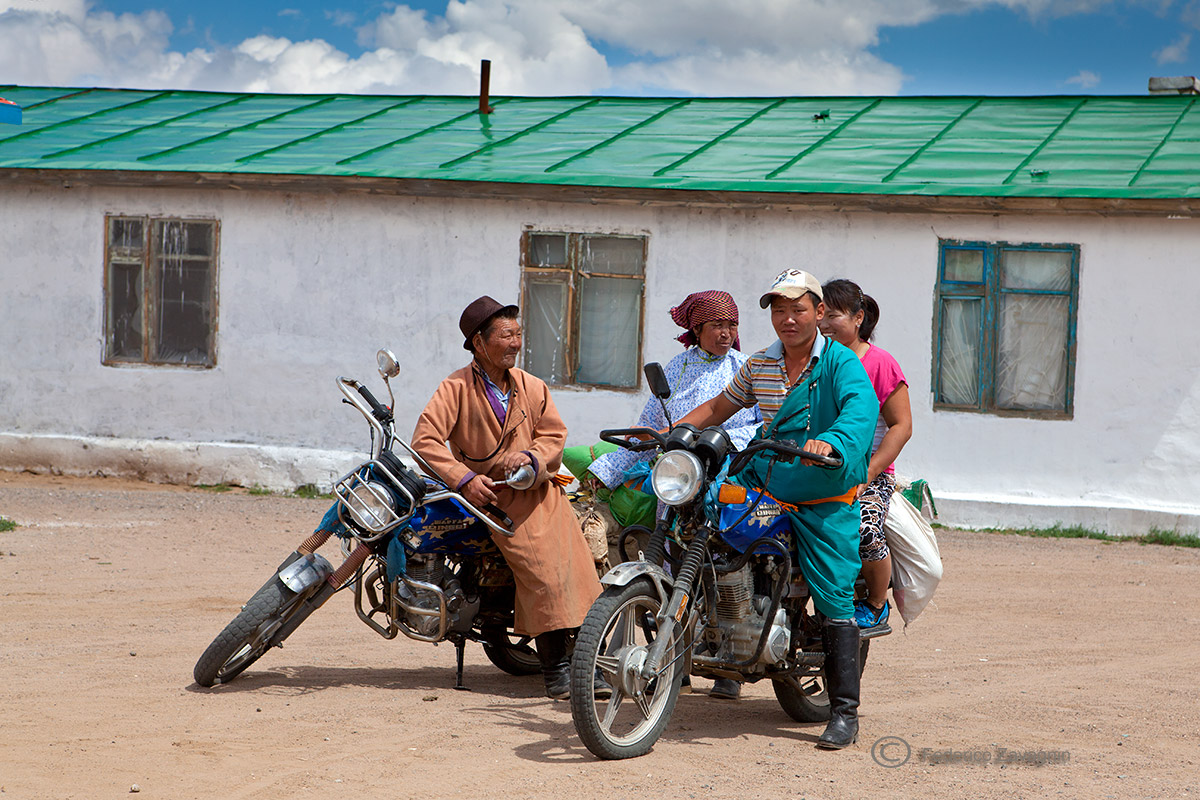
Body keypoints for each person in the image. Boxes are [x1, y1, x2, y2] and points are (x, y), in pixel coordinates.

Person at [675, 269, 878, 750]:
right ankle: (723, 625)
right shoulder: (760, 364)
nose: (788, 319)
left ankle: (845, 711)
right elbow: (719, 407)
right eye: (779, 310)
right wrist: (674, 435)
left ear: (819, 313)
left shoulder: (841, 364)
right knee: (708, 531)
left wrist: (830, 443)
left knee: (833, 591)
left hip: (822, 489)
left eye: (798, 309)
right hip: (766, 480)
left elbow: (859, 412)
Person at [411, 296, 603, 700]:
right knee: (545, 571)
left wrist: (531, 457)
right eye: (505, 335)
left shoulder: (532, 387)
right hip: (490, 500)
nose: (515, 343)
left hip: (541, 493)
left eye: (518, 334)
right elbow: (425, 440)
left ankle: (589, 663)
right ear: (479, 343)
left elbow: (553, 436)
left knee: (581, 570)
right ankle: (558, 671)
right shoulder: (455, 387)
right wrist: (463, 479)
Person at [587, 289, 762, 701]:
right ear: (696, 328)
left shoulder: (747, 368)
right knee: (665, 567)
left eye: (732, 325)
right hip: (678, 483)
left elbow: (759, 426)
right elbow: (649, 429)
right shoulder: (675, 369)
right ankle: (672, 661)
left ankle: (730, 666)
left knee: (722, 566)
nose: (726, 333)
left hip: (726, 483)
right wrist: (608, 469)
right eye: (717, 325)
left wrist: (716, 442)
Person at [819, 279, 912, 630]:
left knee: (864, 528)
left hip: (868, 472)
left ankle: (876, 602)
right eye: (820, 314)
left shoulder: (880, 363)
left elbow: (901, 426)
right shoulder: (815, 360)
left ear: (859, 318)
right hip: (820, 467)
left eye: (834, 315)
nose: (824, 324)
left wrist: (867, 474)